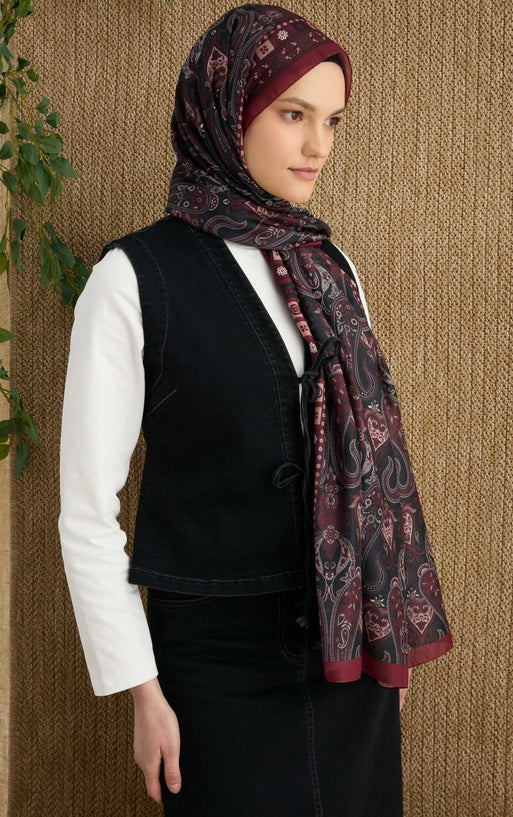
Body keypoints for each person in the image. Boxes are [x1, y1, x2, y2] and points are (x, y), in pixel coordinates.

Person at [58, 4, 454, 816]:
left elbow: (368, 471)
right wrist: (142, 691)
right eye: (293, 115)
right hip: (215, 668)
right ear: (226, 109)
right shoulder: (132, 278)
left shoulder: (331, 267)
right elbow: (86, 513)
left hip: (347, 659)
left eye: (332, 121)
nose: (319, 146)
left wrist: (384, 629)